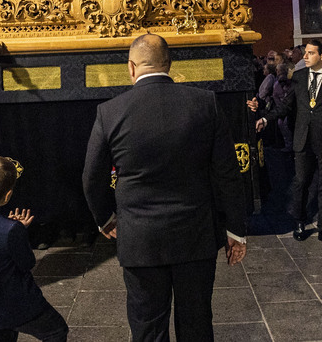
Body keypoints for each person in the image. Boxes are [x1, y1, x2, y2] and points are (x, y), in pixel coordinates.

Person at [83, 34, 248, 341]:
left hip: (140, 239)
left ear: (131, 68)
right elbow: (228, 175)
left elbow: (92, 178)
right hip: (195, 236)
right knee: (197, 324)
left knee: (147, 328)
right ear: (170, 66)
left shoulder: (110, 112)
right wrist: (235, 230)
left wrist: (105, 218)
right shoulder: (205, 104)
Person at [250, 40, 322, 247]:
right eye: (306, 53)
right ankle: (299, 222)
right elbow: (285, 106)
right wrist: (265, 118)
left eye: (310, 53)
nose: (305, 57)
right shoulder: (298, 78)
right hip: (303, 139)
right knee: (301, 183)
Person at [0, 157, 69, 342]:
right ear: (7, 196)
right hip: (15, 305)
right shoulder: (10, 230)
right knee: (56, 331)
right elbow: (27, 263)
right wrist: (19, 231)